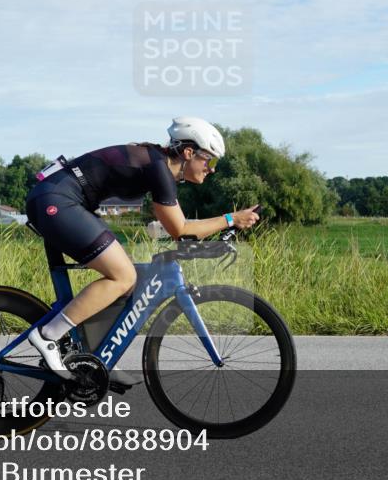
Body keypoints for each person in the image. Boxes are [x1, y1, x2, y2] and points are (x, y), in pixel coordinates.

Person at [24, 117, 261, 385]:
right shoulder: (158, 167)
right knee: (123, 276)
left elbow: (175, 226)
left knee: (127, 282)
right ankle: (47, 336)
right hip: (57, 200)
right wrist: (231, 219)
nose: (212, 170)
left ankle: (94, 357)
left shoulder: (158, 166)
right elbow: (180, 229)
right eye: (211, 161)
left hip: (60, 198)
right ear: (188, 153)